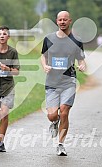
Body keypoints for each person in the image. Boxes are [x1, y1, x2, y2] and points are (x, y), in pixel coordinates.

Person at [41, 11, 86, 156]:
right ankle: (55, 122)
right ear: (57, 21)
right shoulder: (49, 39)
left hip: (69, 82)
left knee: (64, 111)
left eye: (65, 20)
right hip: (52, 82)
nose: (62, 22)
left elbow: (81, 58)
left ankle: (60, 144)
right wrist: (45, 65)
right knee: (52, 115)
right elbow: (43, 55)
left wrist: (82, 65)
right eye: (60, 20)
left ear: (70, 21)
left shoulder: (77, 40)